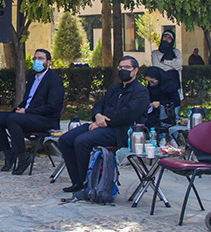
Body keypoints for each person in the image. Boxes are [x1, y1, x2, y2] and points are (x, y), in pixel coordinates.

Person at [56, 55, 149, 194]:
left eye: (127, 67)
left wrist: (102, 122)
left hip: (122, 131)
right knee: (65, 140)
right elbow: (98, 105)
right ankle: (77, 181)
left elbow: (128, 114)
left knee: (82, 141)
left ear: (135, 70)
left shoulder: (141, 91)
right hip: (101, 125)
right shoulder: (114, 88)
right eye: (121, 67)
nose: (123, 70)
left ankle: (87, 184)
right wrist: (98, 116)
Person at [0, 48, 64, 174]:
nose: (37, 61)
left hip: (46, 119)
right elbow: (27, 100)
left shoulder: (54, 80)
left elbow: (52, 107)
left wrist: (27, 112)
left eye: (41, 58)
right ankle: (9, 155)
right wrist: (20, 108)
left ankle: (23, 157)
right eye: (35, 58)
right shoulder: (33, 78)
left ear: (49, 62)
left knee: (13, 119)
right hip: (28, 115)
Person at [151, 31, 183, 115]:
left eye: (169, 38)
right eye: (165, 37)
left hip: (175, 87)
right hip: (160, 89)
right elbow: (157, 67)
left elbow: (179, 65)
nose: (167, 39)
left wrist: (165, 61)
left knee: (174, 113)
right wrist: (172, 66)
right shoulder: (155, 53)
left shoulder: (176, 52)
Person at [143, 65, 181, 129]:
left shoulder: (170, 86)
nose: (151, 83)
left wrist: (160, 103)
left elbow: (176, 101)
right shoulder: (151, 87)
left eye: (152, 81)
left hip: (168, 113)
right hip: (154, 114)